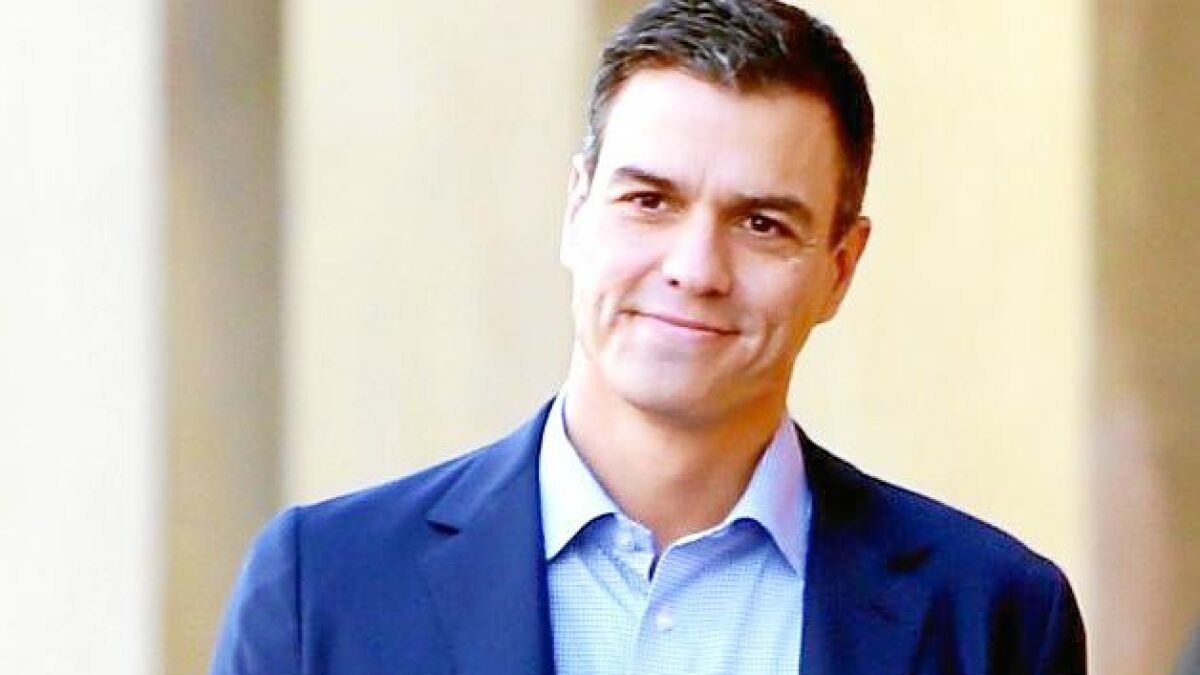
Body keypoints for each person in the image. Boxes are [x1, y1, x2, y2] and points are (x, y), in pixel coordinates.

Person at [212, 1, 1086, 673]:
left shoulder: (994, 615)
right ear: (576, 210)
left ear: (841, 266)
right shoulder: (326, 588)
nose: (696, 268)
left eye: (762, 223)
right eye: (649, 200)